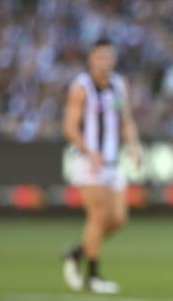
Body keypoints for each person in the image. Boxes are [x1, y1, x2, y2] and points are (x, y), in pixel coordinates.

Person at [61, 38, 141, 294]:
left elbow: (126, 119)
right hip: (88, 161)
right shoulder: (81, 87)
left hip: (112, 161)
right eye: (100, 57)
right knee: (98, 215)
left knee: (118, 218)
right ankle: (93, 275)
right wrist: (89, 152)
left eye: (109, 56)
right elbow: (70, 127)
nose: (105, 61)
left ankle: (75, 252)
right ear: (90, 59)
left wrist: (133, 146)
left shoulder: (119, 85)